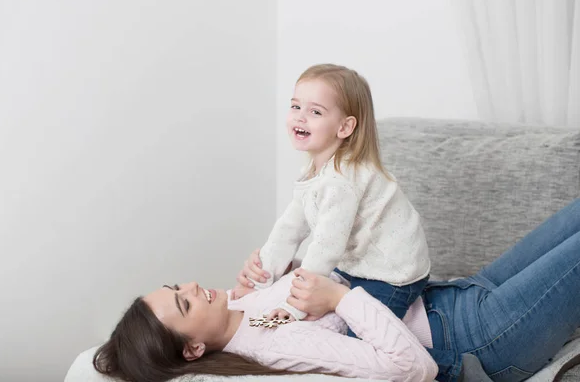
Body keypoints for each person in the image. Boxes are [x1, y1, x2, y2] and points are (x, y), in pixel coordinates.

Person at [94, 199, 580, 382]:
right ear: (195, 348)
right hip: (483, 338)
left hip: (457, 293)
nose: (192, 284)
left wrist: (285, 269)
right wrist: (339, 299)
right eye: (183, 301)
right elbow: (413, 367)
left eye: (175, 286)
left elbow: (304, 297)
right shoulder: (274, 347)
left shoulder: (242, 307)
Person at [241, 64, 431, 324]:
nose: (300, 117)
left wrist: (295, 305)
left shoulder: (343, 179)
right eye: (295, 106)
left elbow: (326, 245)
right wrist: (261, 277)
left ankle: (452, 364)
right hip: (357, 265)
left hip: (392, 274)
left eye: (315, 111)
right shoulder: (314, 169)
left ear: (344, 127)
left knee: (362, 342)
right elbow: (290, 227)